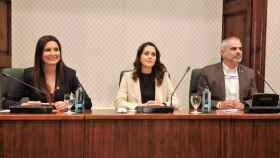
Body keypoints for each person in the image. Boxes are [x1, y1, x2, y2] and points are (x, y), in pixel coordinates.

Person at [4, 35, 92, 111]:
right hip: (36, 123)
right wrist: (24, 105)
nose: (53, 53)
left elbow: (87, 102)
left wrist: (68, 105)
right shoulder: (29, 75)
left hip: (62, 123)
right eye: (48, 50)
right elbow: (7, 103)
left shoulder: (69, 74)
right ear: (40, 54)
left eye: (56, 49)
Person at [197, 36, 257, 110]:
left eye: (240, 49)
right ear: (222, 52)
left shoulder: (249, 73)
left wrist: (244, 105)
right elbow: (199, 99)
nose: (238, 52)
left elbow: (254, 99)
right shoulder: (208, 72)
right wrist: (219, 104)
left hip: (242, 117)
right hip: (217, 117)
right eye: (233, 49)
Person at [114, 42, 178, 109]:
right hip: (136, 118)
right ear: (139, 57)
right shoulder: (127, 77)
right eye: (146, 54)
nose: (150, 57)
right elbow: (118, 102)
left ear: (156, 59)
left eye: (153, 54)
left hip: (159, 117)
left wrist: (162, 104)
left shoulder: (164, 76)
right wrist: (141, 106)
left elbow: (176, 101)